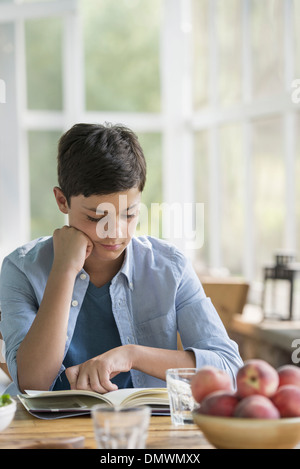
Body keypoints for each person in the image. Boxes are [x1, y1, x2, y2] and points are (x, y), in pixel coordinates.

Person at [0, 123, 243, 396]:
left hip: (147, 430)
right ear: (62, 201)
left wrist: (131, 355)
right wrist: (64, 270)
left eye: (129, 215)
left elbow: (229, 370)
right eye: (96, 217)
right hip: (51, 433)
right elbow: (32, 384)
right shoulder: (20, 269)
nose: (115, 232)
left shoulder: (170, 267)